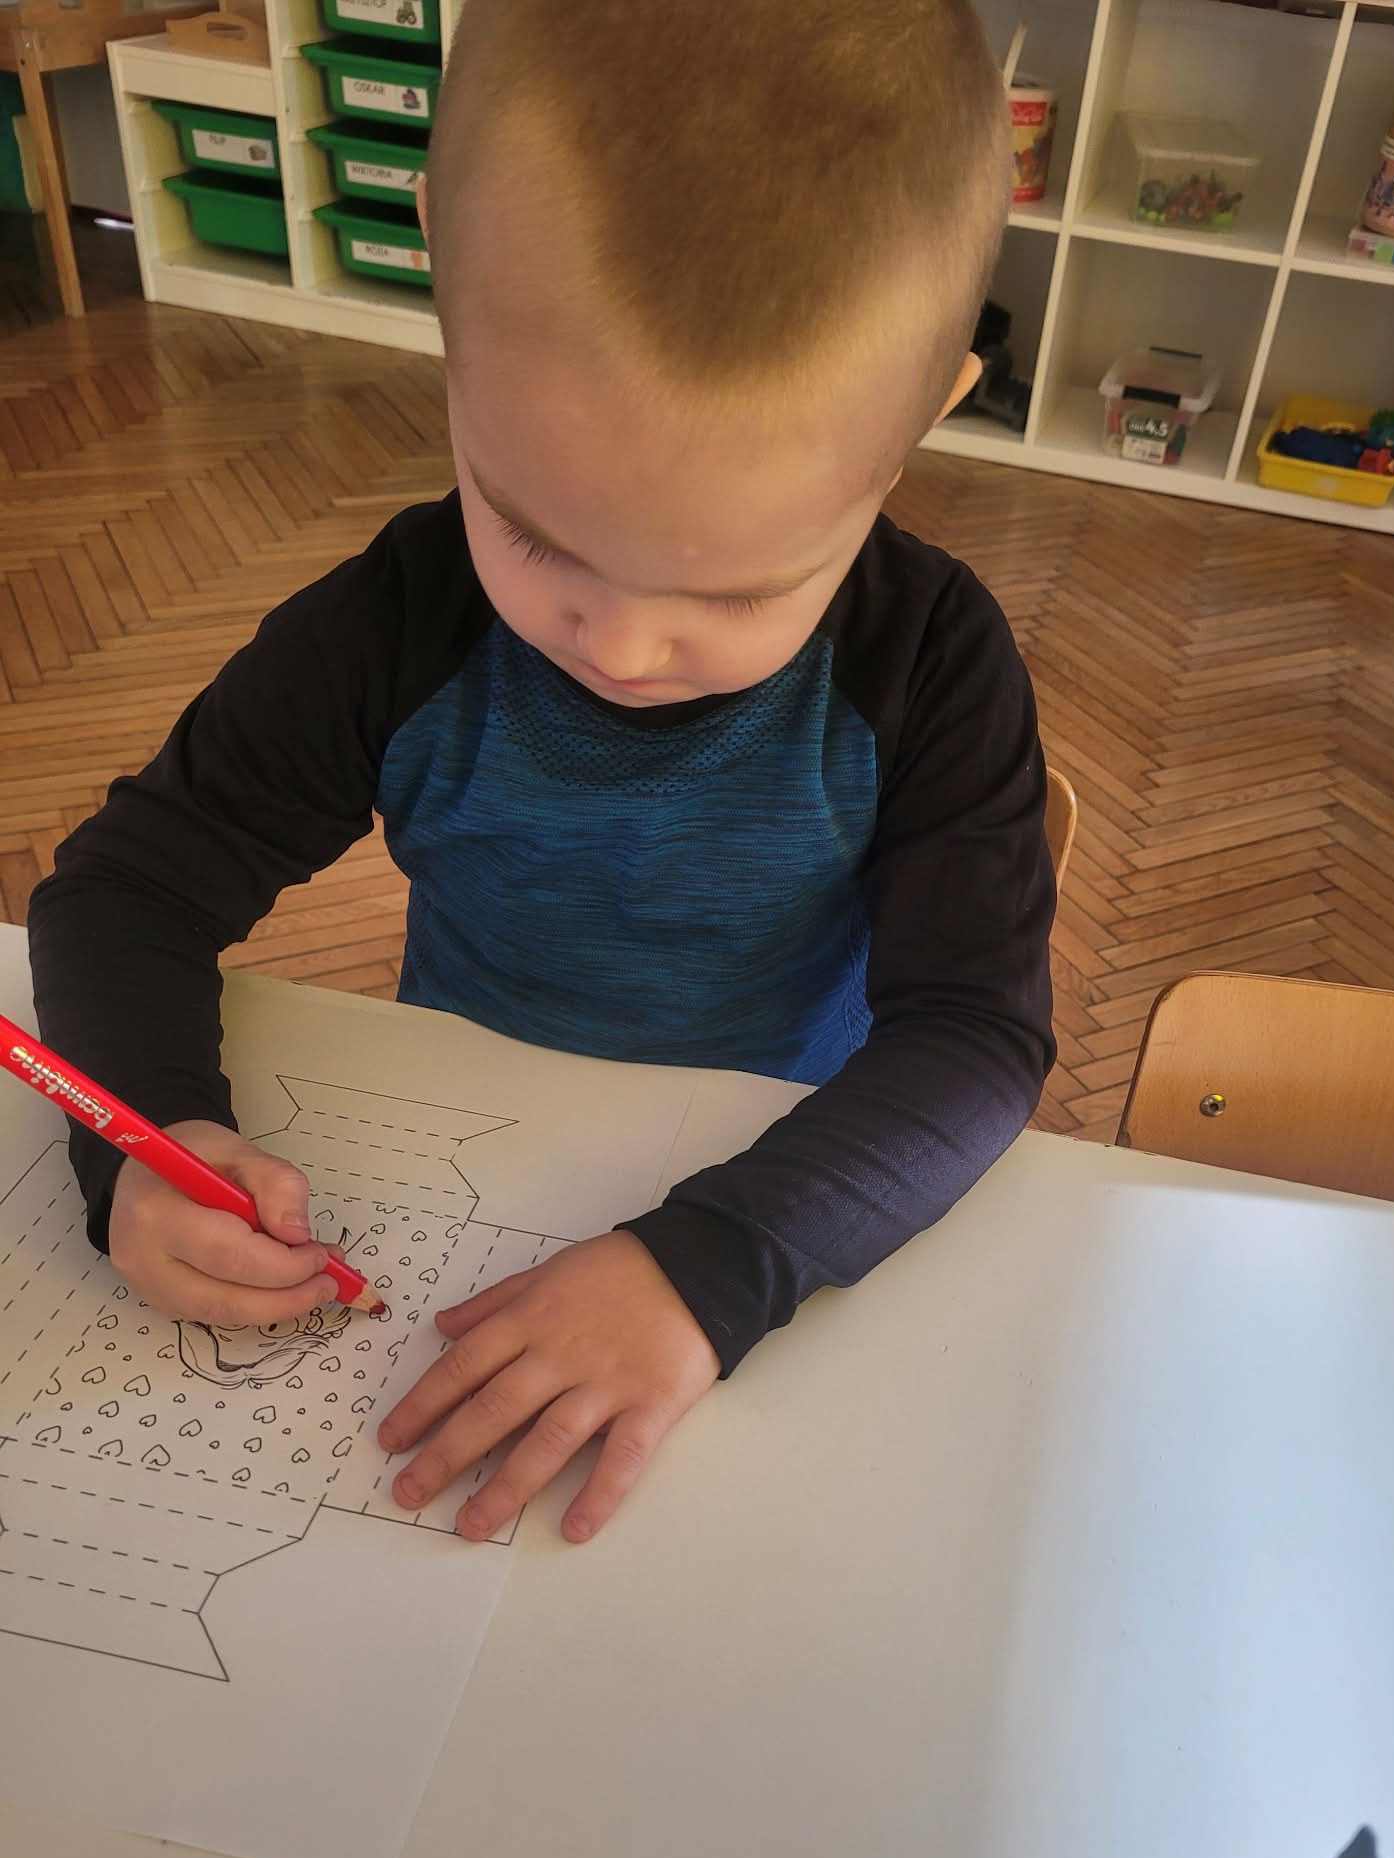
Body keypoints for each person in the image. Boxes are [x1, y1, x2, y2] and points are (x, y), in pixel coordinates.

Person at [28, 0, 1056, 1546]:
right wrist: (141, 1139)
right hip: (471, 1138)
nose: (624, 648)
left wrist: (712, 1268)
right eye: (536, 534)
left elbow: (975, 1039)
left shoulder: (934, 661)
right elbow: (126, 894)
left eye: (741, 590)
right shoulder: (396, 625)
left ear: (922, 415)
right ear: (442, 285)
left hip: (793, 1157)